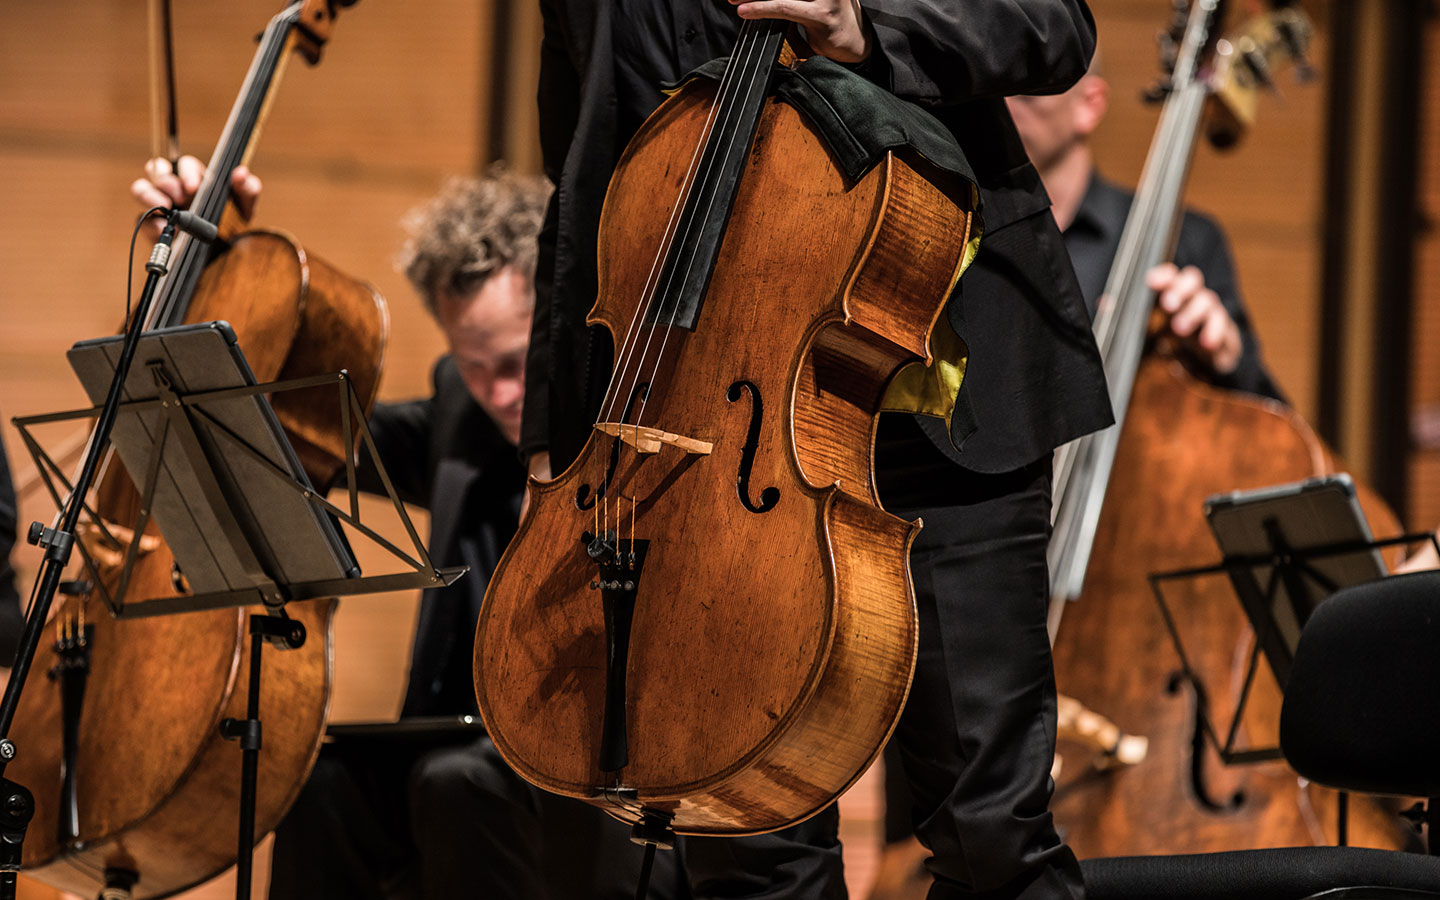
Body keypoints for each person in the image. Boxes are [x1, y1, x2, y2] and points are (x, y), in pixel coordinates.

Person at [526, 2, 1112, 899]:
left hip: (933, 420)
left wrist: (864, 25)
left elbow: (1052, 26)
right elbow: (582, 189)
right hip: (709, 446)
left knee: (989, 833)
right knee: (745, 845)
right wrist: (558, 449)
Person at [131, 160, 688, 899]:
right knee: (320, 783)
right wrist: (207, 257)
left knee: (453, 783)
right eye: (475, 364)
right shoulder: (460, 407)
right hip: (452, 734)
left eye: (520, 364)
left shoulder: (621, 406)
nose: (502, 393)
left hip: (594, 759)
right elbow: (305, 437)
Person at [1005, 60, 1285, 402]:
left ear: (1089, 105)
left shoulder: (1186, 240)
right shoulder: (963, 237)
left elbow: (1268, 417)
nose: (1000, 107)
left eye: (1025, 93)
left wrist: (1225, 358)